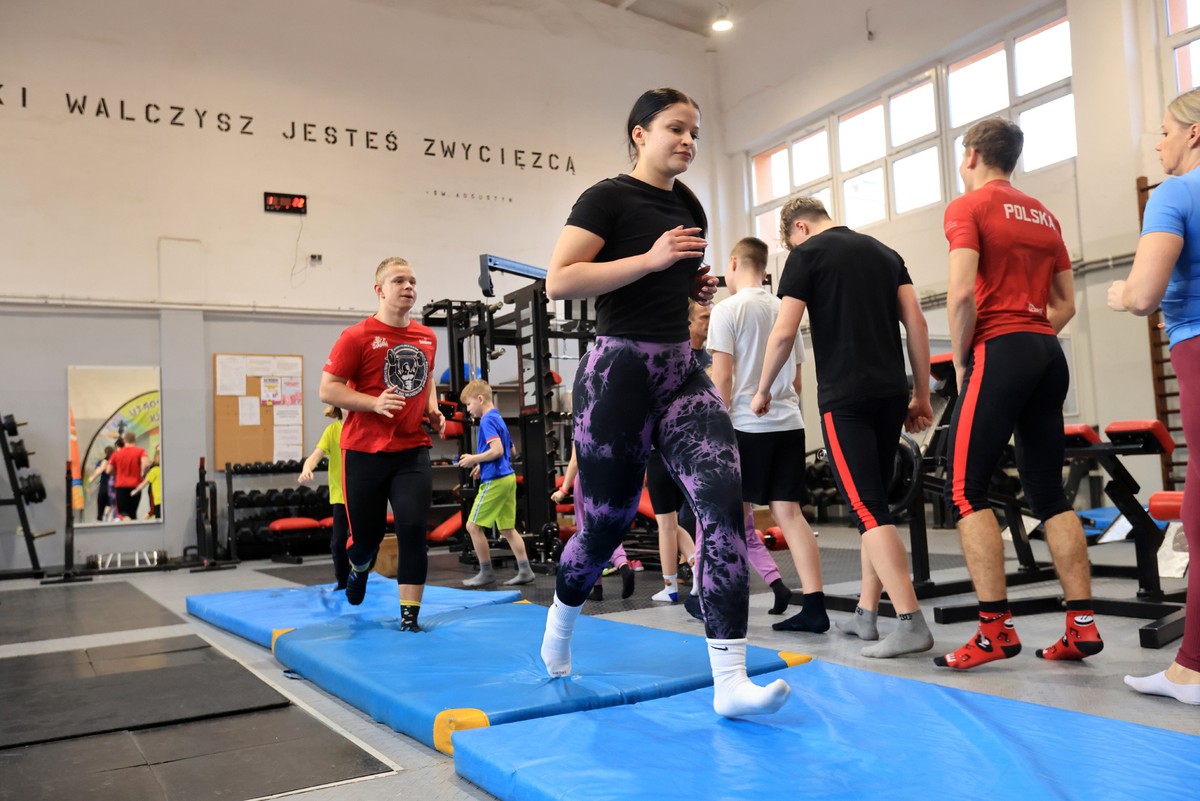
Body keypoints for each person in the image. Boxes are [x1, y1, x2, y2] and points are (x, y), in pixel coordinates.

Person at [540, 86, 789, 719]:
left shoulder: (689, 205)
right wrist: (651, 259)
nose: (688, 141)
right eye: (676, 128)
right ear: (639, 133)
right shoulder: (606, 198)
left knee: (724, 507)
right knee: (606, 525)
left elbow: (668, 284)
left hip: (680, 373)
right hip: (617, 376)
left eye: (695, 132)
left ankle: (730, 681)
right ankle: (561, 619)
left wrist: (691, 287)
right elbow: (559, 280)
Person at [934, 117, 1101, 670]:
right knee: (1049, 494)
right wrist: (1030, 339)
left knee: (965, 491)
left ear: (972, 154)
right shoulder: (1044, 215)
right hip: (1048, 352)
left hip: (999, 349)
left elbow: (962, 295)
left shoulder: (968, 207)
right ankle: (1081, 625)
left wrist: (964, 360)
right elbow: (1065, 304)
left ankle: (994, 632)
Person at [753, 196, 935, 659]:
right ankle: (866, 614)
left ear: (798, 228)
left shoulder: (806, 255)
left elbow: (784, 332)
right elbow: (916, 323)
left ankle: (911, 622)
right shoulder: (885, 253)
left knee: (867, 510)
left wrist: (763, 388)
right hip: (890, 393)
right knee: (875, 506)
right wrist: (920, 394)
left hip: (846, 398)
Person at [1108, 89, 1200, 705]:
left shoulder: (1174, 194)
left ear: (1194, 133)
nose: (1159, 142)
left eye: (1165, 130)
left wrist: (1122, 293)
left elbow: (1143, 294)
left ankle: (1191, 670)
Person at [319, 256, 445, 632]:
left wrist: (433, 409)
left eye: (412, 281)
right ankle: (360, 567)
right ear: (379, 290)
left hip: (411, 451)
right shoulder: (356, 336)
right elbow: (328, 389)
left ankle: (409, 617)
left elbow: (427, 376)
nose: (408, 287)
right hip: (364, 452)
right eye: (399, 281)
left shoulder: (427, 337)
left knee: (413, 530)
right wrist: (373, 403)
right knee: (367, 540)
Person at [710, 236, 826, 633]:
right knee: (789, 514)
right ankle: (815, 607)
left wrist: (715, 428)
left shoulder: (726, 310)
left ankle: (725, 602)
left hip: (744, 426)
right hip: (788, 423)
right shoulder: (784, 307)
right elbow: (796, 380)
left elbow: (722, 378)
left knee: (731, 517)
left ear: (734, 263)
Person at [458, 379, 536, 587]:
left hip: (496, 481)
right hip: (507, 478)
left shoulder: (486, 421)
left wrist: (474, 459)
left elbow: (498, 450)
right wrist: (483, 465)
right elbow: (512, 450)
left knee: (472, 526)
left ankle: (486, 572)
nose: (468, 409)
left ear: (480, 399)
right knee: (507, 529)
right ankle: (525, 570)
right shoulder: (498, 417)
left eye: (469, 404)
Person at [552, 444, 636, 600]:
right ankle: (623, 565)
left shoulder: (581, 427)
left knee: (588, 533)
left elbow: (575, 460)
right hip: (609, 477)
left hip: (587, 479)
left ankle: (596, 587)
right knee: (609, 528)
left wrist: (563, 490)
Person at [298, 405, 349, 590]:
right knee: (338, 544)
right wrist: (306, 469)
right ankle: (343, 582)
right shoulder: (332, 431)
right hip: (341, 497)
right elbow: (315, 456)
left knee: (367, 542)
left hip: (364, 495)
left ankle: (361, 572)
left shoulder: (364, 429)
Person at [106, 431, 149, 520]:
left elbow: (108, 470)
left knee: (123, 513)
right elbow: (146, 464)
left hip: (121, 487)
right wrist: (142, 473)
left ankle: (128, 525)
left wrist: (117, 473)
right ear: (135, 439)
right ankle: (134, 527)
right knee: (133, 513)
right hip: (136, 487)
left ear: (124, 440)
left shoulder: (116, 454)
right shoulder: (141, 451)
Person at [132, 443, 163, 519]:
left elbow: (144, 482)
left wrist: (136, 490)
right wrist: (136, 490)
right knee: (153, 512)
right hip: (159, 498)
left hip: (159, 499)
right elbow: (145, 482)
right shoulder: (155, 470)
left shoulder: (155, 470)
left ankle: (141, 523)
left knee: (155, 514)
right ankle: (142, 522)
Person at [88, 446, 114, 522]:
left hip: (104, 485)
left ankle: (101, 518)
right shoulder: (114, 461)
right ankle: (106, 515)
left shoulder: (102, 461)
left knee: (101, 505)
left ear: (105, 453)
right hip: (113, 486)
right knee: (109, 504)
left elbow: (98, 470)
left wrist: (92, 478)